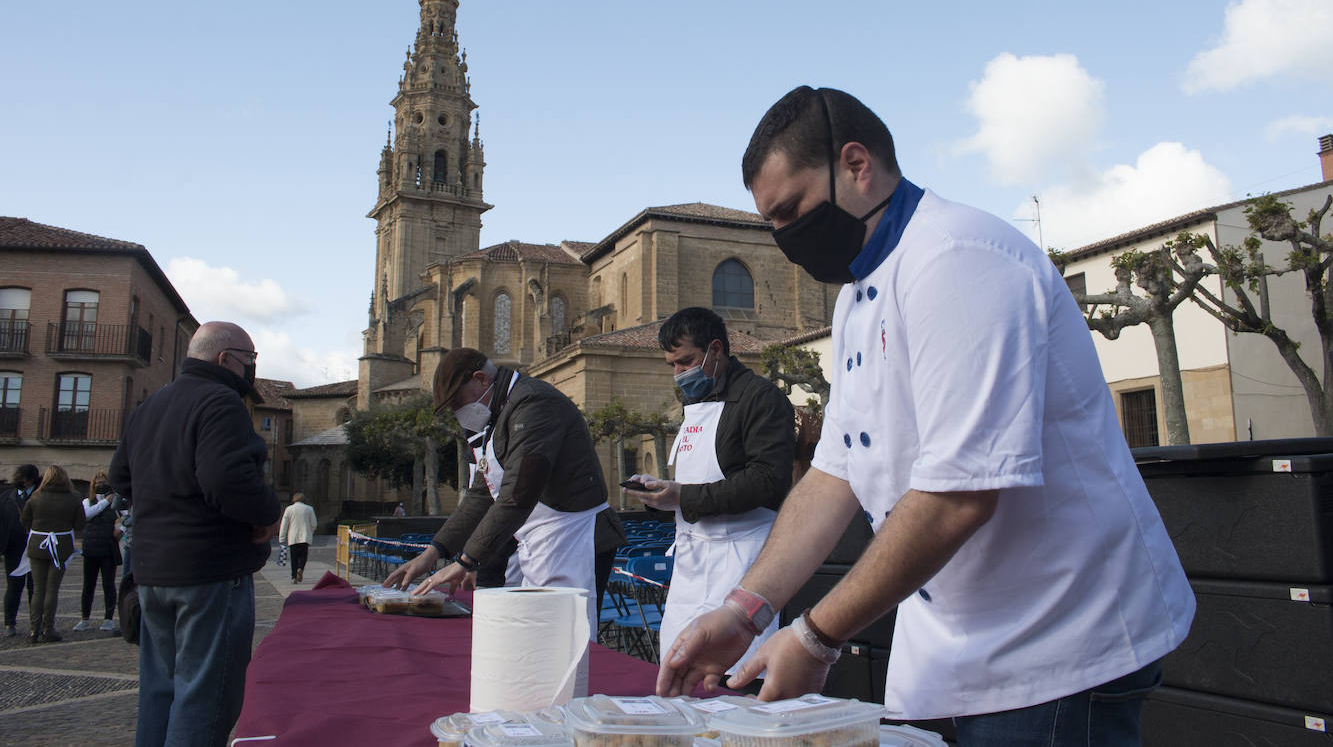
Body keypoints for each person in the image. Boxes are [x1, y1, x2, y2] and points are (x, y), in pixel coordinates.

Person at [657, 86, 1196, 745]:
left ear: (856, 166)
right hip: (963, 642)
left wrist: (814, 636)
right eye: (771, 222)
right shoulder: (857, 296)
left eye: (791, 210)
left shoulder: (959, 258)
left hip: (1059, 641)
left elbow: (958, 498)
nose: (785, 238)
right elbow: (832, 475)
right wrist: (746, 608)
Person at [109, 321, 282, 747]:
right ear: (226, 359)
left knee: (160, 690)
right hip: (209, 571)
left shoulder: (150, 406)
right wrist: (266, 515)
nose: (252, 370)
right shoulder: (221, 401)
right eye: (251, 361)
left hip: (153, 573)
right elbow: (226, 479)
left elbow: (120, 477)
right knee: (206, 695)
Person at [386, 347, 609, 631]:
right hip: (541, 542)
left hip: (573, 537)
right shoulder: (498, 413)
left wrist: (467, 561)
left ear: (480, 379)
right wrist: (433, 551)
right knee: (539, 635)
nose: (459, 414)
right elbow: (481, 494)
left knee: (565, 636)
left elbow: (519, 492)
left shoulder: (533, 402)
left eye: (458, 403)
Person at [625, 307, 794, 674]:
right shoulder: (694, 406)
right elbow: (687, 483)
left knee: (737, 678)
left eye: (686, 361)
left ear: (716, 350)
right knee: (680, 672)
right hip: (690, 566)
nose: (678, 373)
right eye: (672, 364)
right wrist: (659, 497)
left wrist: (682, 497)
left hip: (742, 563)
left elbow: (767, 481)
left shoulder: (761, 399)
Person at [20, 465, 85, 643]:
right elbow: (80, 524)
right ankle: (48, 628)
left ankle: (34, 630)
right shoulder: (74, 498)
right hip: (61, 547)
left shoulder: (35, 497)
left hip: (37, 545)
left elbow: (25, 520)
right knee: (52, 589)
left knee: (38, 589)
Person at [74, 472, 122, 632]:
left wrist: (120, 529)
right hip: (91, 548)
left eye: (104, 482)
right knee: (88, 584)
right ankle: (85, 618)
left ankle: (108, 619)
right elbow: (86, 515)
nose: (101, 485)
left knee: (108, 584)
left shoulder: (117, 502)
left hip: (108, 547)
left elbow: (127, 517)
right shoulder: (87, 502)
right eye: (98, 482)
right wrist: (105, 503)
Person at [3, 463, 40, 637]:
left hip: (36, 547)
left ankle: (35, 624)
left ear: (31, 479)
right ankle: (10, 623)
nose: (17, 480)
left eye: (21, 477)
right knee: (13, 587)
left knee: (35, 588)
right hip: (13, 548)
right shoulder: (6, 497)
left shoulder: (41, 495)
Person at [279, 492, 318, 584]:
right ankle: (300, 568)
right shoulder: (309, 509)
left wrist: (282, 538)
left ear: (294, 499)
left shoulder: (289, 509)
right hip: (305, 537)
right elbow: (314, 524)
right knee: (303, 555)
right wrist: (310, 531)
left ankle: (293, 576)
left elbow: (284, 524)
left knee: (294, 557)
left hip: (293, 537)